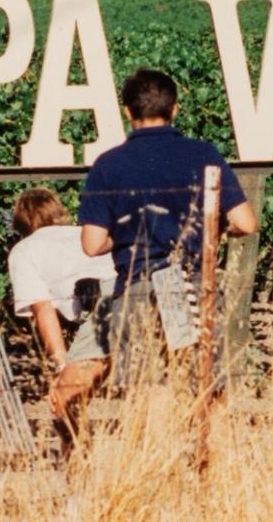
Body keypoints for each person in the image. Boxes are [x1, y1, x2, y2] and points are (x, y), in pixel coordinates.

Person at [70, 69, 258, 403]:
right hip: (187, 285)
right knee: (203, 391)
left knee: (146, 393)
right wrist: (208, 231)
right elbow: (245, 223)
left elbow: (92, 244)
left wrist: (126, 234)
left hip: (136, 287)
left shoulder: (106, 165)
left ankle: (154, 455)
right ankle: (205, 453)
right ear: (175, 109)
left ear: (128, 112)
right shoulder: (203, 154)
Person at [5, 187, 116, 456]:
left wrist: (61, 365)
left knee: (63, 397)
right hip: (133, 298)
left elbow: (43, 310)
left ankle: (77, 471)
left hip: (108, 308)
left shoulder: (24, 251)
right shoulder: (84, 234)